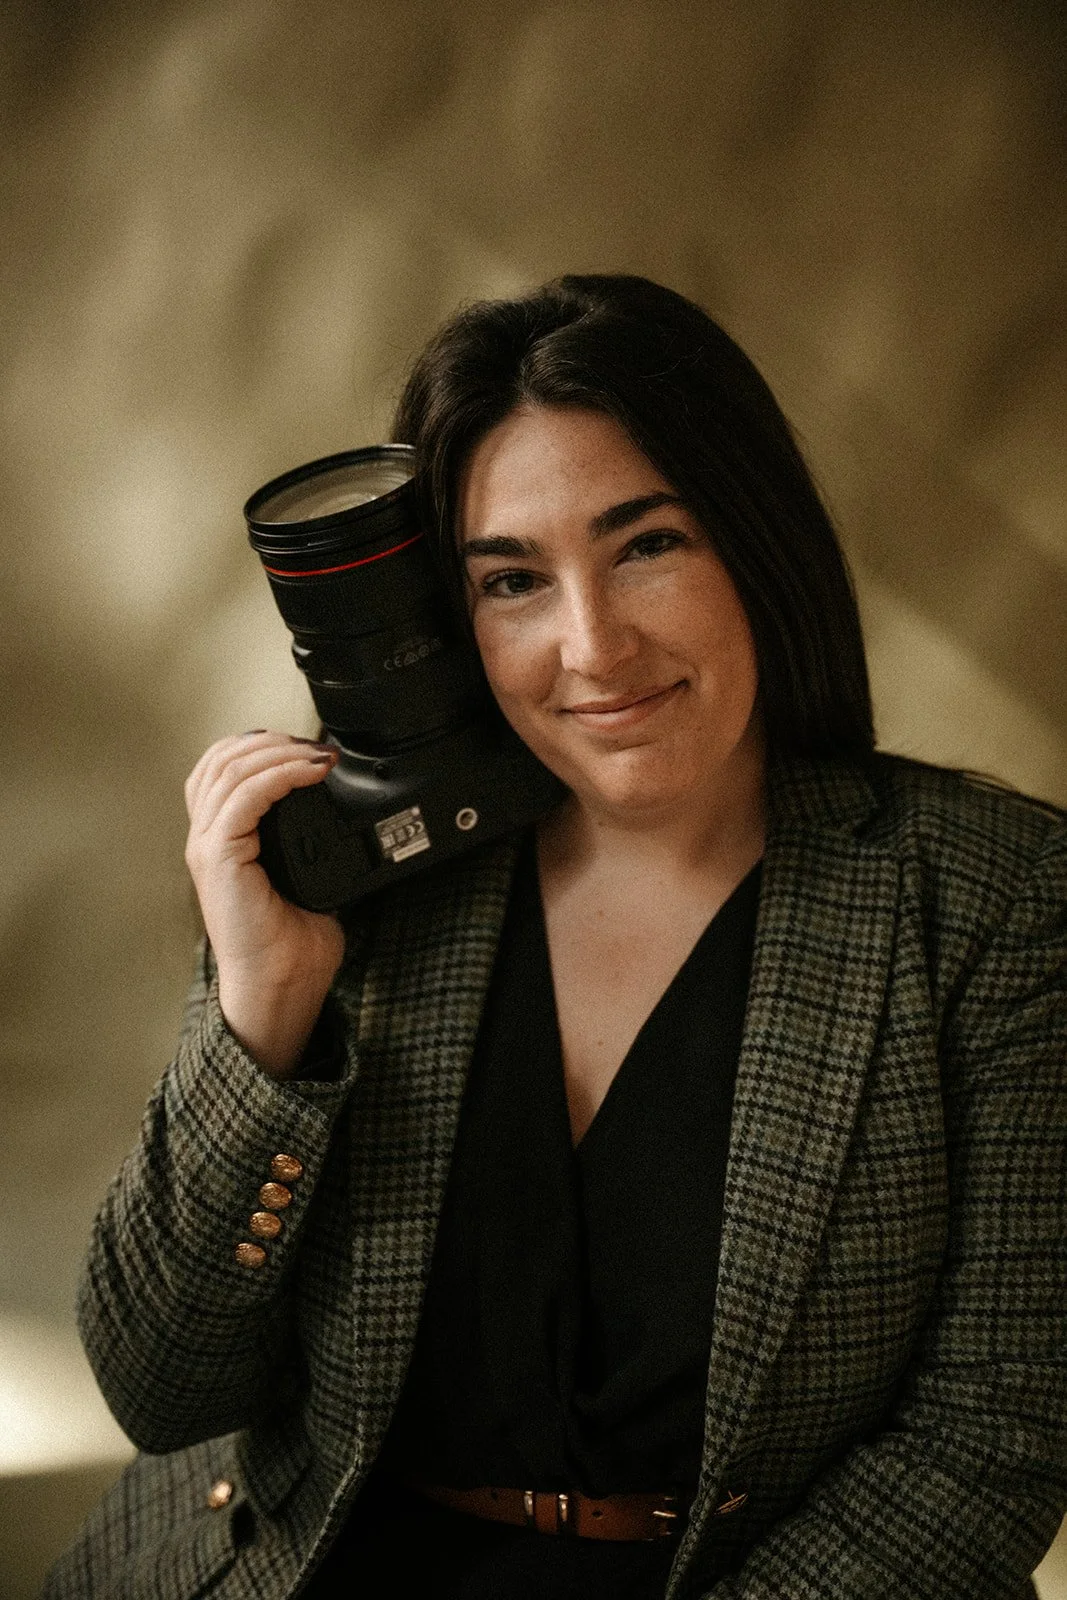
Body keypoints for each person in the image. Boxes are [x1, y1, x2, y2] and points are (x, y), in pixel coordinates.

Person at [45, 275, 1065, 1599]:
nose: (593, 647)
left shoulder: (994, 905)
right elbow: (160, 1386)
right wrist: (260, 1014)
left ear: (757, 546)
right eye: (513, 580)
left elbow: (984, 1450)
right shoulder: (364, 876)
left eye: (648, 545)